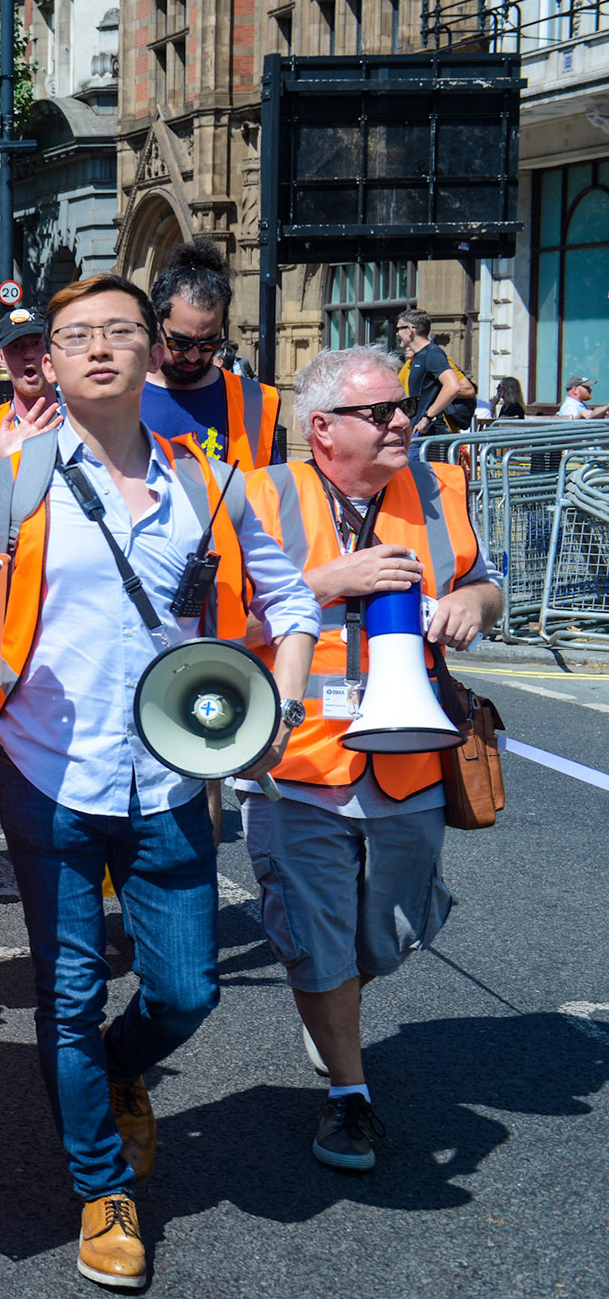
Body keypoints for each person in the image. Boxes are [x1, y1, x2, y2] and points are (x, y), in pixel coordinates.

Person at [0, 273, 318, 1290]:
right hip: (46, 774)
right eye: (75, 336)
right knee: (64, 998)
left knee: (188, 989)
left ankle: (117, 1067)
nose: (98, 348)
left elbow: (293, 607)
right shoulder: (4, 480)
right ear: (49, 362)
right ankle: (103, 1192)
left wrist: (271, 712)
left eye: (119, 331)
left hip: (171, 782)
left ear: (154, 352)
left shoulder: (216, 485)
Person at [241, 346, 501, 1174]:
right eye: (381, 411)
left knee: (384, 939)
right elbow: (210, 631)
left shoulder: (438, 487)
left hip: (412, 756)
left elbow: (490, 585)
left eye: (401, 407)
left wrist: (470, 603)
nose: (403, 420)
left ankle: (337, 996)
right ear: (322, 430)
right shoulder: (262, 496)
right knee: (318, 938)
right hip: (298, 761)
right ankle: (348, 1097)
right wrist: (322, 580)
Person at [139, 241, 284, 471]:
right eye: (181, 342)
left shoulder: (254, 403)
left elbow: (268, 494)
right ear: (156, 323)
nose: (194, 356)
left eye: (209, 343)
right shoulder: (116, 393)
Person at [0, 307, 62, 468]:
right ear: (0, 358)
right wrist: (4, 465)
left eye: (36, 343)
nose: (28, 355)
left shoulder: (86, 422)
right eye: (16, 347)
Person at [395, 309, 475, 434]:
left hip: (430, 432)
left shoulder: (432, 353)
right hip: (417, 430)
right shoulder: (420, 356)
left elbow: (453, 386)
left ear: (410, 330)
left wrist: (426, 418)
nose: (397, 334)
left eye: (399, 329)